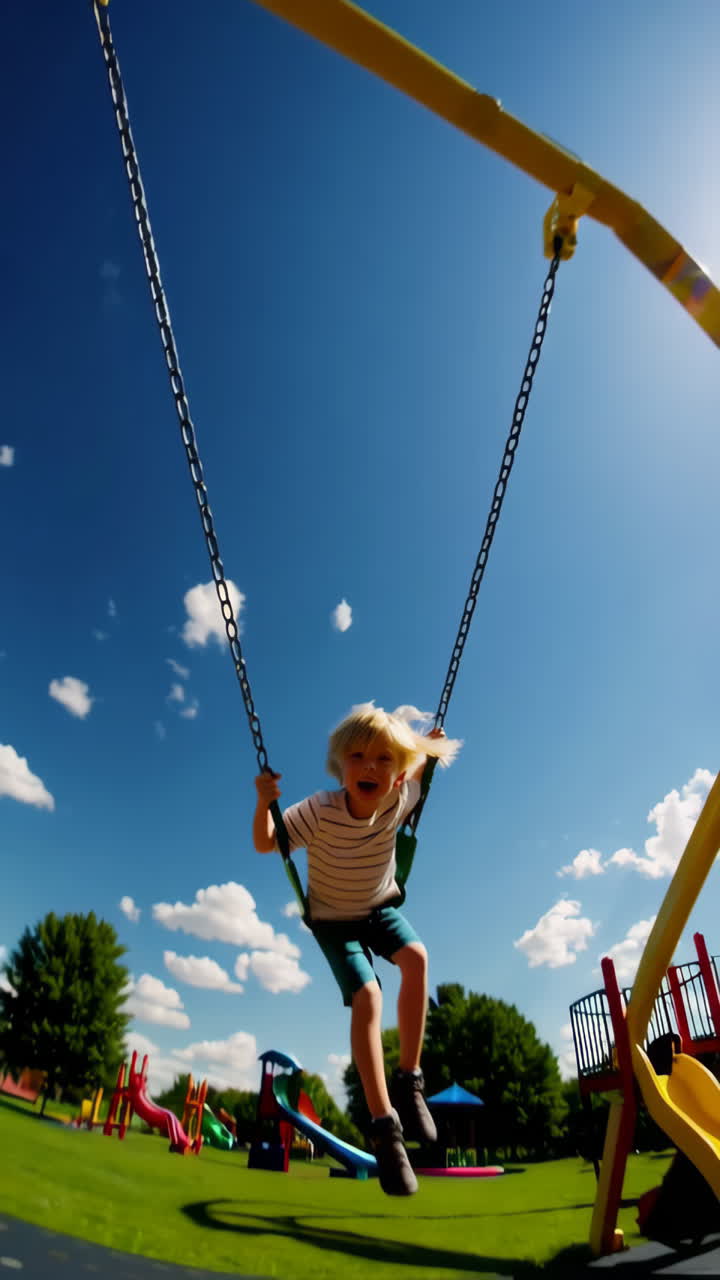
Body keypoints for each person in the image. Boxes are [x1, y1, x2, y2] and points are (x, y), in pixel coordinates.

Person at [253, 702, 461, 1195]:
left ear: (398, 772)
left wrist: (422, 746)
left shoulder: (401, 797)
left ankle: (410, 1083)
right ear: (339, 764)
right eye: (358, 755)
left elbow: (419, 765)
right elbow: (267, 843)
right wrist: (264, 801)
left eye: (384, 759)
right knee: (368, 997)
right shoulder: (320, 810)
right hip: (333, 923)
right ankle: (385, 1126)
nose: (370, 766)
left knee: (417, 959)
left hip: (379, 908)